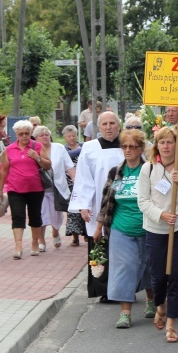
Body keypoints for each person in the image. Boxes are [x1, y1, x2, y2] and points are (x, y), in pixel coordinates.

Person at [137, 127, 178, 343]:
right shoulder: (148, 169)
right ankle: (160, 306)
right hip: (156, 228)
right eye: (162, 142)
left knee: (176, 275)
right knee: (158, 276)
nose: (166, 146)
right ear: (157, 145)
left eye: (170, 142)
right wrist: (161, 214)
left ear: (177, 145)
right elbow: (143, 201)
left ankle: (171, 323)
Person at [95, 129, 155, 328]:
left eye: (132, 146)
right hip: (121, 228)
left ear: (141, 149)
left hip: (148, 227)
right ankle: (125, 313)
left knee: (148, 266)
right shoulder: (116, 172)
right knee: (124, 268)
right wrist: (98, 227)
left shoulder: (151, 170)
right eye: (124, 146)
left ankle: (151, 300)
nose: (127, 150)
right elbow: (106, 201)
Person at [69, 111, 124, 299]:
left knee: (121, 246)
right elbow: (84, 178)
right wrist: (84, 205)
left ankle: (122, 287)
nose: (109, 127)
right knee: (99, 245)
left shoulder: (127, 145)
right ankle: (102, 289)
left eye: (112, 123)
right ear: (98, 127)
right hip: (97, 204)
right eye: (104, 124)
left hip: (124, 204)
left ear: (119, 125)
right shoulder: (90, 147)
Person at [0, 120, 51, 259]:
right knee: (18, 216)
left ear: (31, 133)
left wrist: (37, 158)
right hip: (15, 188)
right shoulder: (9, 149)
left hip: (35, 188)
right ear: (16, 134)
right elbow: (4, 170)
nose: (24, 136)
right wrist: (0, 189)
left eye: (27, 133)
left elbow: (48, 165)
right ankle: (18, 246)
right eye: (21, 134)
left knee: (35, 217)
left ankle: (34, 243)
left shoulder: (37, 146)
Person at [33, 125, 75, 250]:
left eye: (46, 134)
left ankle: (55, 232)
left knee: (57, 215)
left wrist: (75, 180)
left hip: (57, 187)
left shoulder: (59, 147)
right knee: (41, 214)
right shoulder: (33, 149)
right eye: (42, 135)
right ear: (36, 138)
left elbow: (69, 165)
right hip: (39, 188)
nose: (45, 136)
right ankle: (41, 240)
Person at [61, 125, 85, 246]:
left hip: (84, 183)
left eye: (74, 135)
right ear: (65, 137)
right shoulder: (63, 149)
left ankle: (86, 233)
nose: (72, 138)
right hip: (70, 184)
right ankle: (75, 236)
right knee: (73, 211)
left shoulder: (84, 146)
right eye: (69, 136)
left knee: (86, 207)